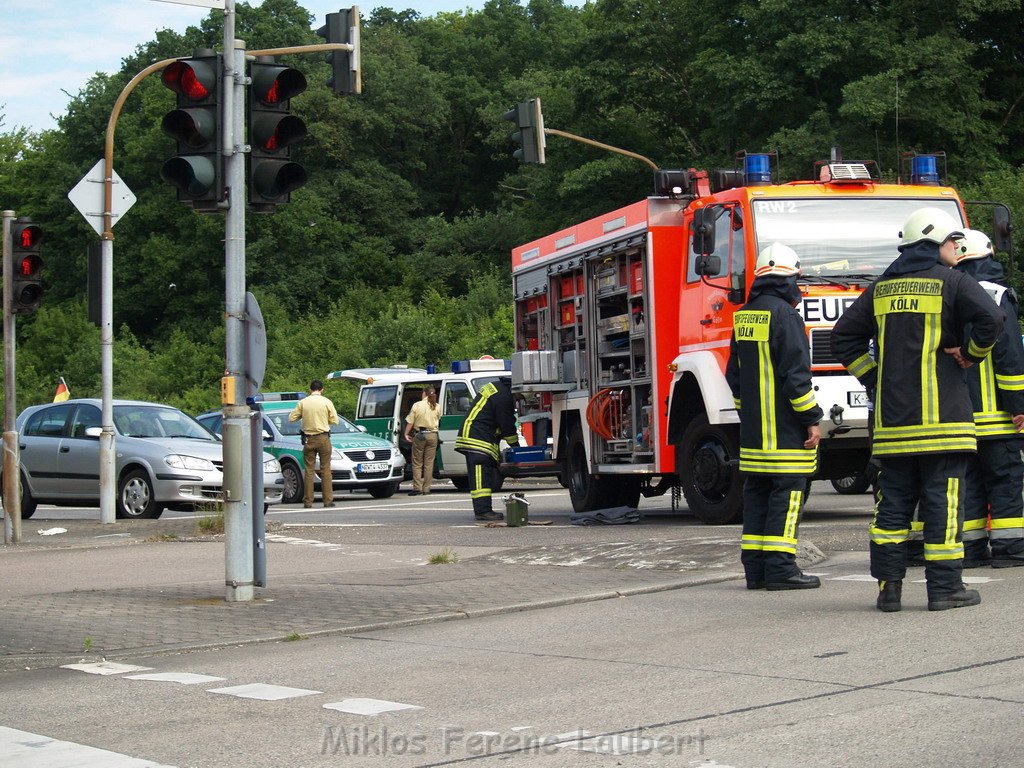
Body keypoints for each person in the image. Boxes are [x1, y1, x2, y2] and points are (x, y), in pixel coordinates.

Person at [832, 207, 1001, 612]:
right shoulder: (954, 281)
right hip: (943, 424)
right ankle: (945, 589)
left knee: (892, 506)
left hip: (892, 427)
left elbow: (843, 340)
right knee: (944, 506)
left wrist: (875, 378)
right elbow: (991, 318)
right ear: (935, 244)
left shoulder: (879, 289)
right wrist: (971, 354)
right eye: (951, 243)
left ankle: (889, 588)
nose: (954, 250)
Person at [725, 242, 823, 591]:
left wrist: (747, 415)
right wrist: (811, 418)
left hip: (754, 434)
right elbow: (796, 376)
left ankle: (756, 571)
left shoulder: (745, 315)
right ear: (789, 279)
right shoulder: (785, 316)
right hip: (784, 432)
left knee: (757, 497)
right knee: (788, 495)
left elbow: (733, 377)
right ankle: (781, 569)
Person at [951, 228, 1024, 568]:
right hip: (997, 416)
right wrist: (1018, 405)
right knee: (1005, 480)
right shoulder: (996, 295)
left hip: (957, 416)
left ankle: (971, 550)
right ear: (989, 254)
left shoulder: (945, 292)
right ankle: (1009, 549)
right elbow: (1009, 356)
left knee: (970, 484)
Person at [455, 378, 519, 521]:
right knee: (481, 478)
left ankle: (483, 510)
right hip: (477, 438)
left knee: (483, 476)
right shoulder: (504, 396)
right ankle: (483, 511)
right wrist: (516, 447)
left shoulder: (498, 388)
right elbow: (506, 423)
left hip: (475, 434)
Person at [288, 380, 340, 509]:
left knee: (309, 470)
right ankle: (328, 501)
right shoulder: (327, 402)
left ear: (310, 389)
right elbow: (335, 421)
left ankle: (308, 501)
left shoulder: (303, 402)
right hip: (323, 438)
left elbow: (291, 418)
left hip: (309, 439)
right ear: (322, 389)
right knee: (326, 470)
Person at [404, 386, 441, 496]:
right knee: (429, 463)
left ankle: (417, 488)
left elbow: (410, 421)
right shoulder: (437, 406)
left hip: (420, 435)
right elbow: (438, 419)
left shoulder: (417, 405)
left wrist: (406, 434)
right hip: (433, 435)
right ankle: (426, 489)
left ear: (424, 393)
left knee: (417, 462)